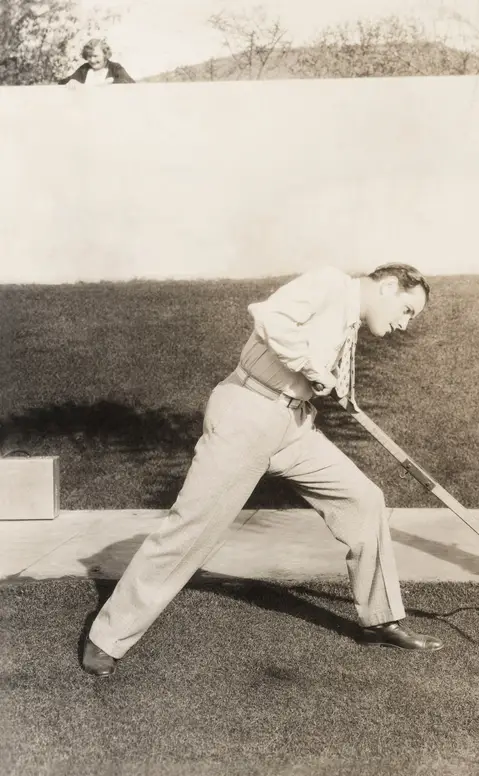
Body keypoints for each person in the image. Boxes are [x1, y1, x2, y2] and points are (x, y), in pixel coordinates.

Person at [81, 263, 442, 677]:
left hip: (293, 426)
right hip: (248, 414)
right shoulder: (329, 284)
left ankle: (380, 621)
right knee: (191, 530)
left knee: (363, 499)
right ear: (389, 286)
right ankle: (106, 638)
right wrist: (313, 368)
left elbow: (317, 369)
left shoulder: (350, 320)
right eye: (407, 310)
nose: (405, 324)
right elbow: (268, 315)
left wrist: (325, 381)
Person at [59, 38, 134, 87]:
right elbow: (61, 83)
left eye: (96, 56)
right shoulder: (84, 69)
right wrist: (71, 81)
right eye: (89, 56)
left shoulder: (115, 68)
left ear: (105, 54)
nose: (92, 60)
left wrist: (112, 81)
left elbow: (130, 83)